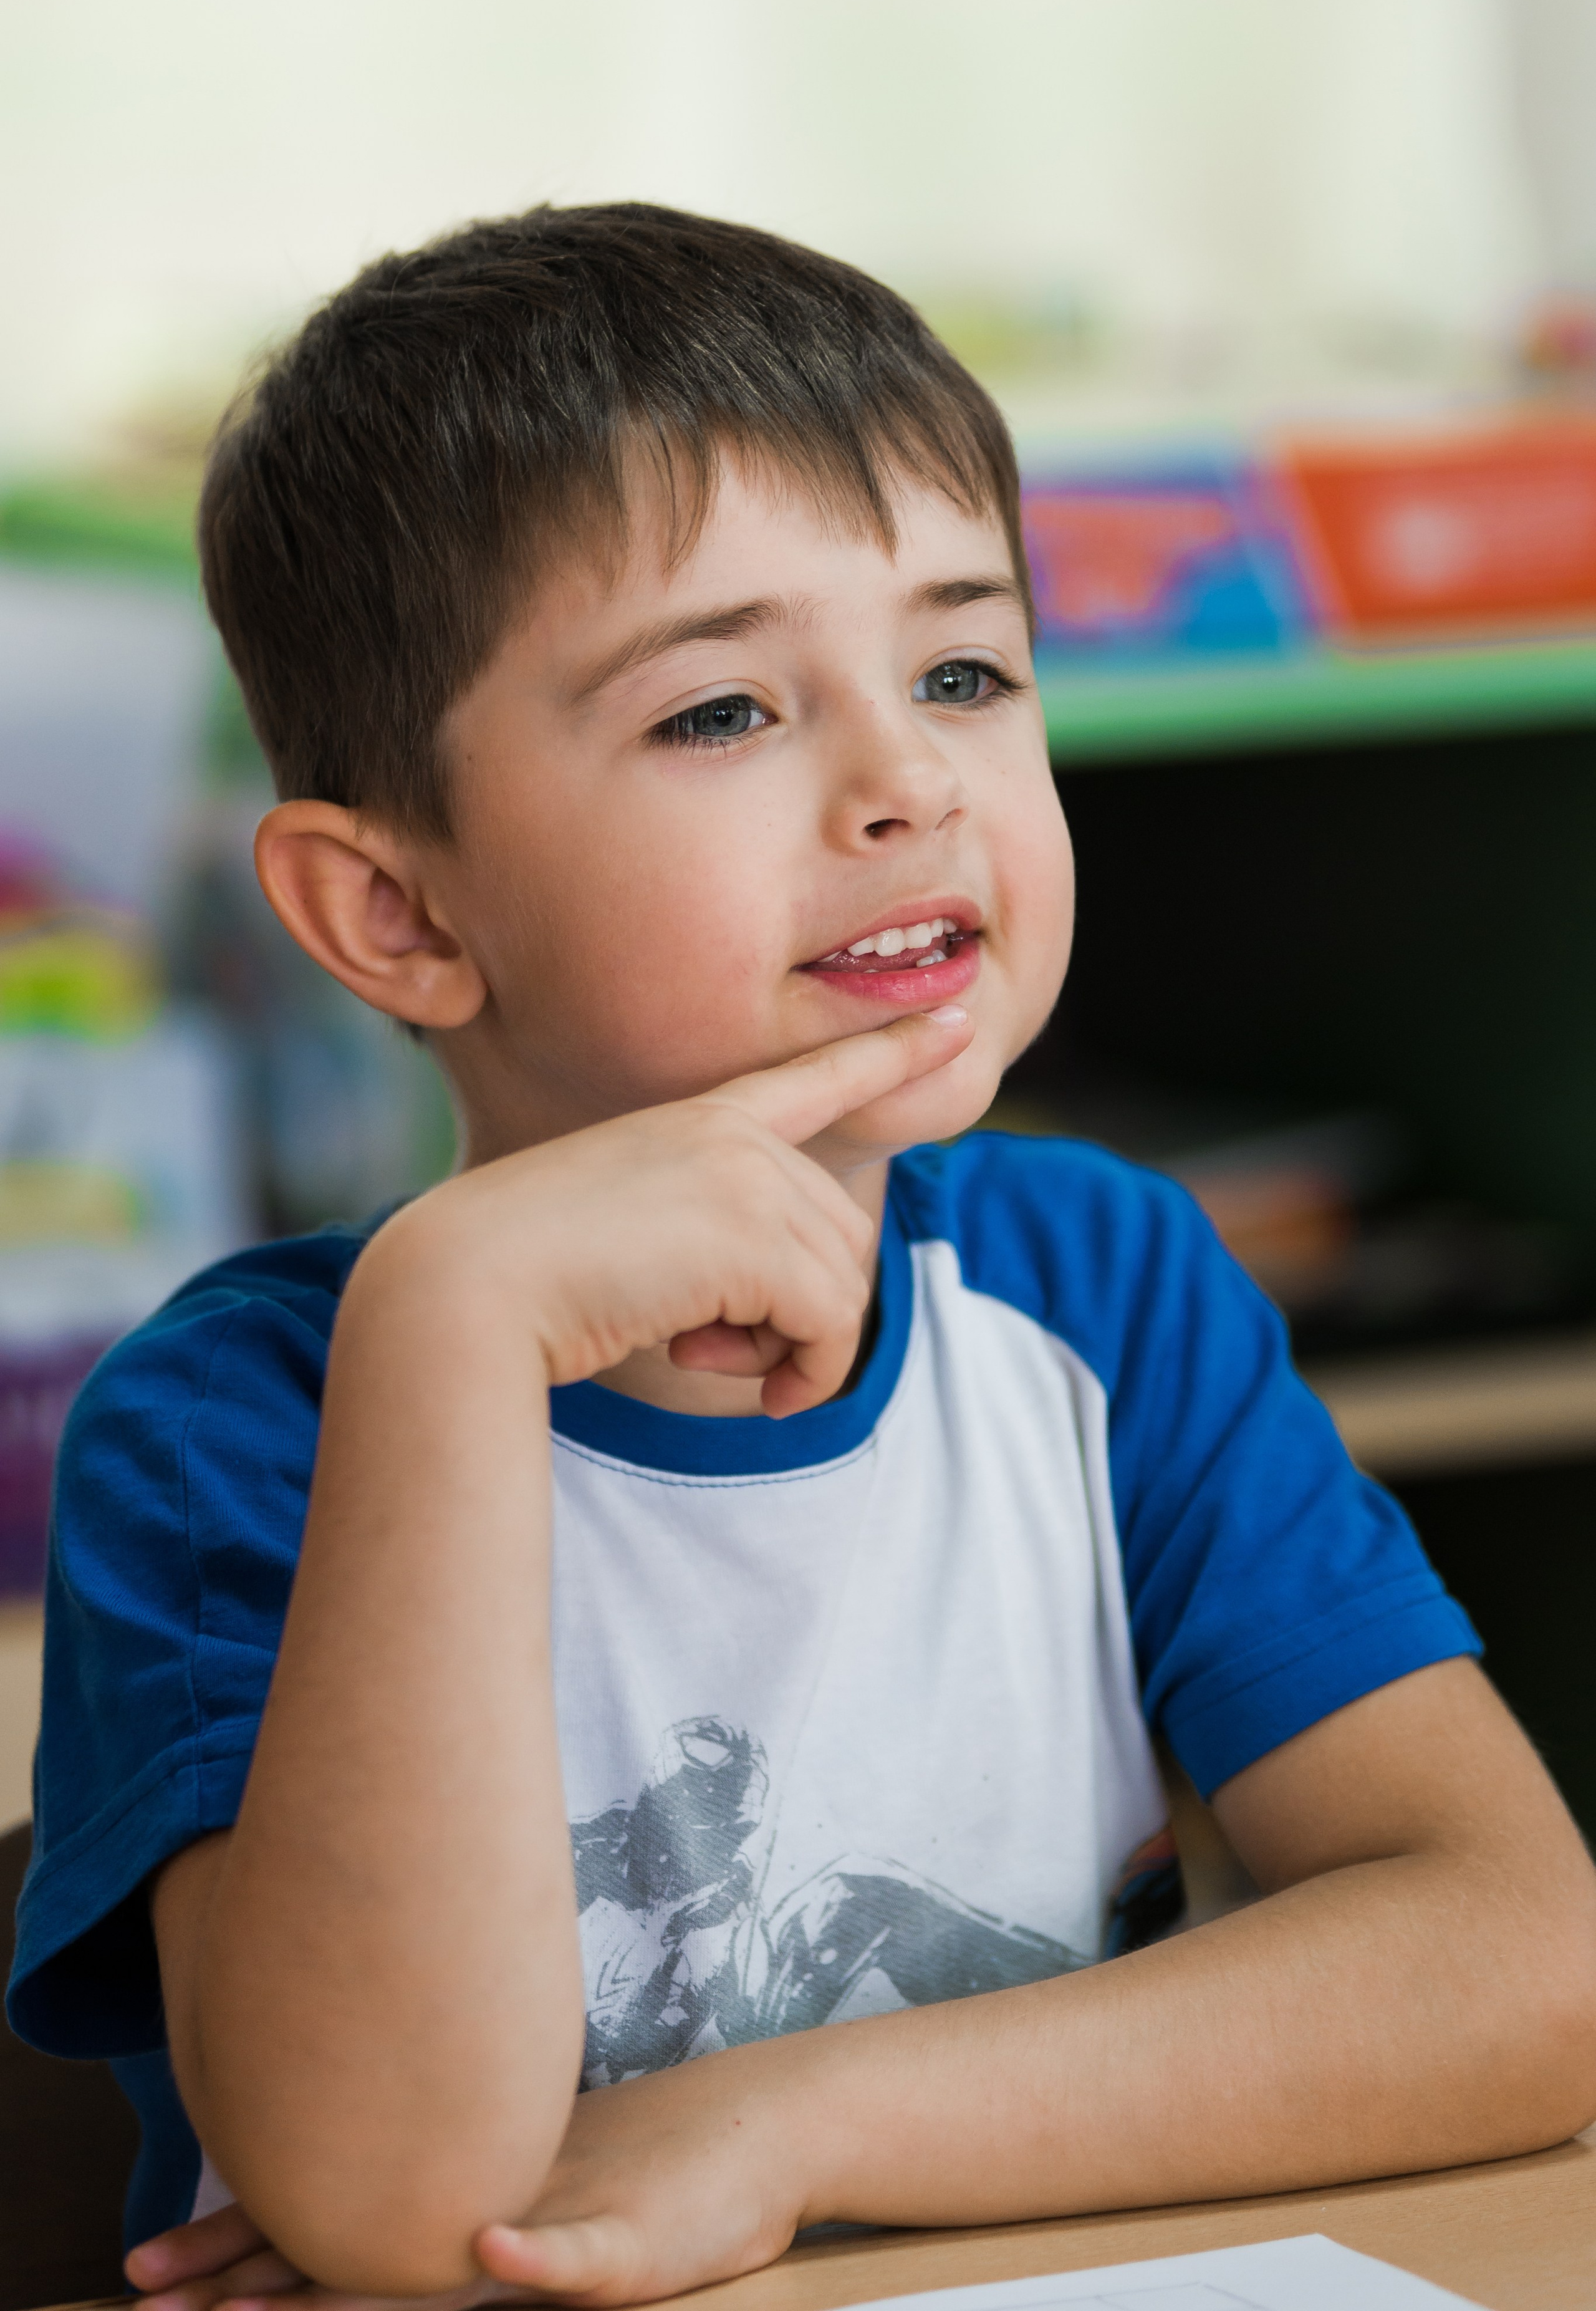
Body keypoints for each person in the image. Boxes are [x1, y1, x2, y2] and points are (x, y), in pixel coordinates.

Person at [8, 204, 1595, 2311]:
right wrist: (457, 1330)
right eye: (724, 713)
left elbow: (1521, 1958)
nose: (908, 779)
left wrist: (780, 2126)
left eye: (963, 668)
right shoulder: (243, 1421)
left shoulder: (1096, 1289)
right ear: (400, 918)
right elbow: (397, 2206)